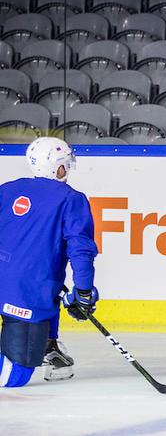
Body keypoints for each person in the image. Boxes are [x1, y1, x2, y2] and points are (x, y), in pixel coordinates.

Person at [0, 137, 98, 388]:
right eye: (66, 163)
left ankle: (48, 345)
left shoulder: (7, 189)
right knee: (13, 377)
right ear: (57, 167)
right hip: (25, 289)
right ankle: (43, 346)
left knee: (51, 290)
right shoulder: (71, 199)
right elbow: (81, 250)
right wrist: (84, 291)